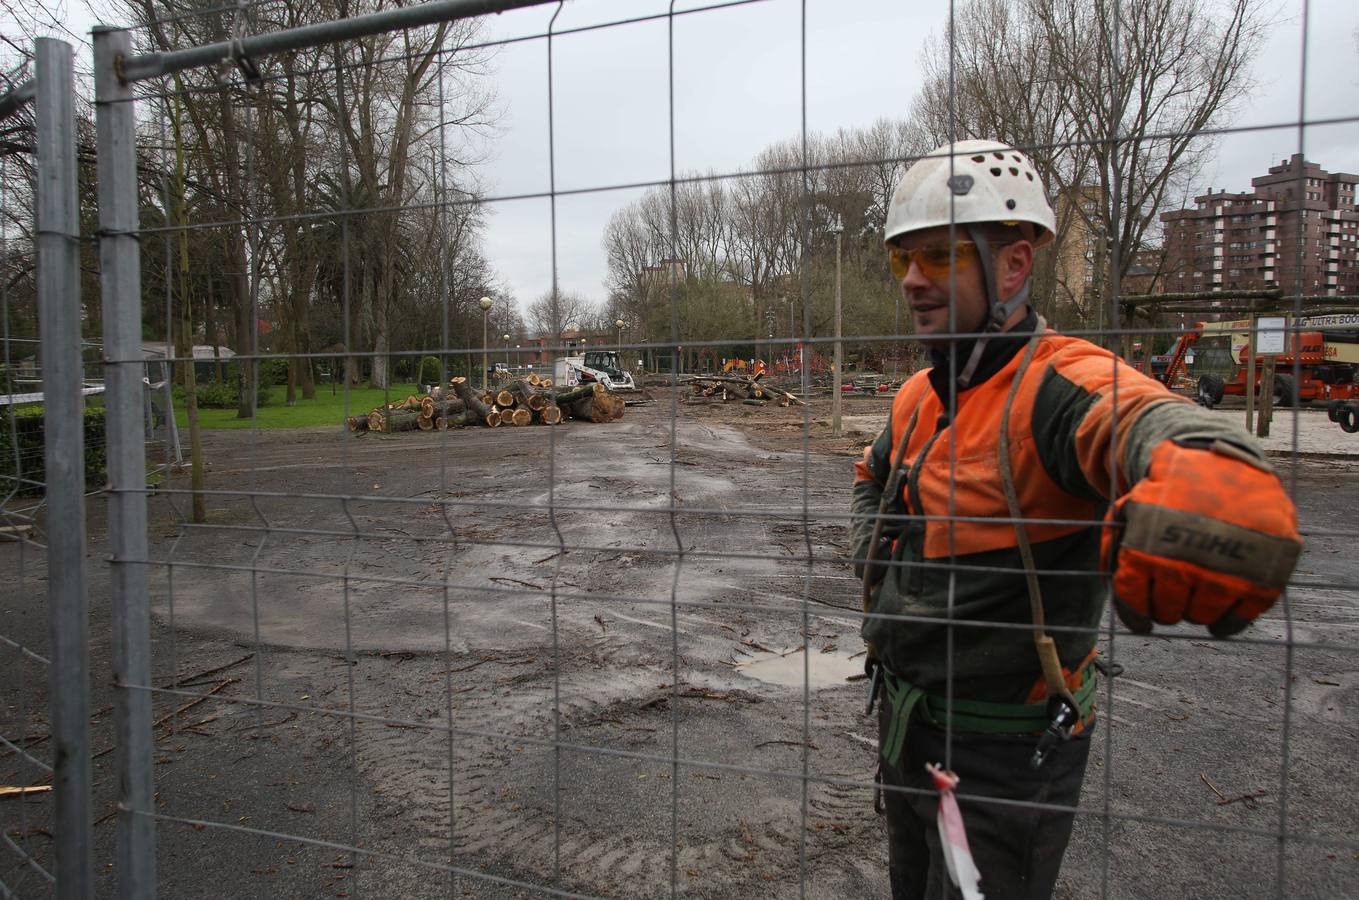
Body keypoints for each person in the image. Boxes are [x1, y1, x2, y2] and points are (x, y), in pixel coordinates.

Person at [850, 140, 1302, 900]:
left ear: (1016, 265)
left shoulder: (1059, 386)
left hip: (1002, 752)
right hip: (905, 722)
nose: (914, 281)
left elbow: (1149, 420)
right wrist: (878, 562)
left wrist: (1210, 468)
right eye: (903, 261)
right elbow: (869, 481)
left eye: (939, 255)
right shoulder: (916, 398)